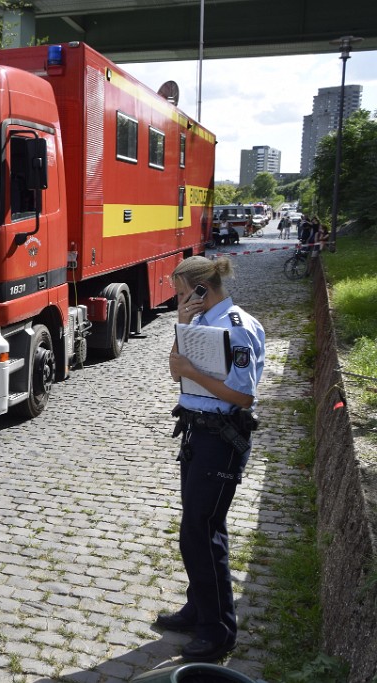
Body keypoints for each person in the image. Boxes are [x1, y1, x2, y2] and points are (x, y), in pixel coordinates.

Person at [157, 255, 265, 663]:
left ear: (204, 288)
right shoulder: (199, 323)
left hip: (222, 438)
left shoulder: (236, 329)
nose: (179, 298)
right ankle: (198, 607)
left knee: (202, 532)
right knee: (195, 527)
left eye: (182, 292)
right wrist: (181, 326)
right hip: (197, 434)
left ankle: (218, 632)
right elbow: (175, 371)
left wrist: (193, 371)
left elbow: (243, 395)